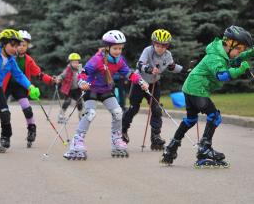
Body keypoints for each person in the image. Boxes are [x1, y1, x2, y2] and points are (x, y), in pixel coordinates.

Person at [160, 26, 254, 168]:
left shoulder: (221, 52)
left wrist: (251, 53)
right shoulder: (215, 57)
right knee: (214, 116)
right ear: (230, 44)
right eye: (240, 49)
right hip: (197, 89)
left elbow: (234, 59)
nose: (240, 52)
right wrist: (241, 70)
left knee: (190, 119)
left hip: (191, 88)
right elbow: (222, 75)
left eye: (243, 50)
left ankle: (170, 149)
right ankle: (204, 150)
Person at [63, 30, 149, 160]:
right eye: (115, 48)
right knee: (90, 113)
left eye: (120, 48)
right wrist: (81, 82)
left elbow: (128, 73)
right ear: (107, 47)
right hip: (91, 89)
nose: (118, 51)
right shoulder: (97, 59)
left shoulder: (119, 60)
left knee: (118, 112)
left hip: (105, 90)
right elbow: (84, 72)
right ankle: (77, 141)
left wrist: (141, 81)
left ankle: (116, 140)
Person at [0, 30, 54, 148]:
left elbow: (39, 74)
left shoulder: (28, 60)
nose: (21, 48)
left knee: (27, 109)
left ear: (27, 46)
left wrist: (51, 80)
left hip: (20, 88)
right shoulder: (8, 57)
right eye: (19, 45)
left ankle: (31, 129)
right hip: (5, 87)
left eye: (24, 45)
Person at [122, 29, 187, 150]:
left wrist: (185, 70)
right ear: (153, 44)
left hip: (154, 83)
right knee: (134, 108)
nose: (160, 48)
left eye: (163, 46)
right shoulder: (148, 50)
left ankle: (155, 137)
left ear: (166, 46)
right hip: (139, 82)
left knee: (156, 109)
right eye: (157, 45)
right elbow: (139, 65)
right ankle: (123, 129)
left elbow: (172, 67)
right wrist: (149, 69)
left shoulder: (167, 55)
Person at [56, 53, 83, 124]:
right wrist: (58, 79)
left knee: (80, 102)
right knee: (67, 101)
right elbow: (62, 75)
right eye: (74, 62)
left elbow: (84, 76)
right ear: (70, 63)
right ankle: (61, 115)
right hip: (69, 89)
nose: (76, 64)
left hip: (77, 89)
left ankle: (81, 116)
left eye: (77, 62)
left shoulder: (80, 68)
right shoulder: (68, 69)